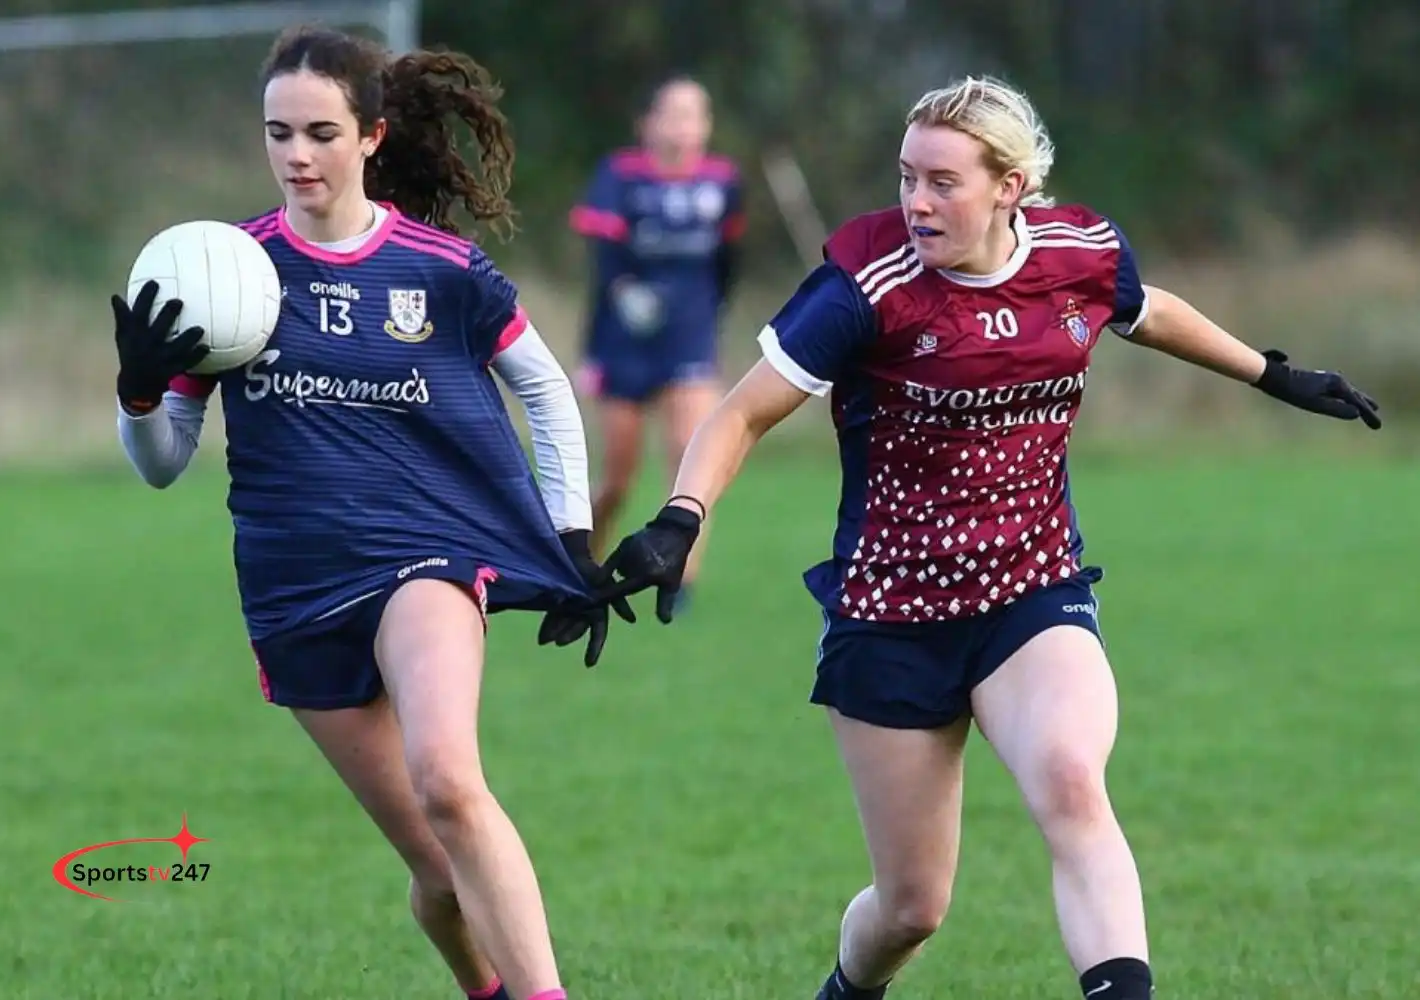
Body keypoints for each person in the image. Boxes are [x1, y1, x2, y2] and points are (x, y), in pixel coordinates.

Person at [594, 76, 1381, 1000]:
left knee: (1072, 785)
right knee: (912, 909)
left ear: (1010, 186)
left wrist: (1272, 375)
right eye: (905, 177)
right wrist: (681, 519)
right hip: (891, 611)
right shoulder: (868, 285)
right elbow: (738, 415)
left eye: (943, 181)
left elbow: (1148, 308)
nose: (916, 202)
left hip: (1031, 589)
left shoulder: (1079, 253)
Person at [112, 25, 630, 1000]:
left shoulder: (440, 270)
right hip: (295, 589)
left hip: (426, 560)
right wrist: (140, 394)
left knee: (449, 783)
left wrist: (567, 540)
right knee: (438, 876)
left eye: (320, 132)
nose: (296, 155)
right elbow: (160, 465)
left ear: (373, 137)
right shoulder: (225, 276)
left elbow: (548, 391)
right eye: (278, 133)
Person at [568, 75, 746, 610]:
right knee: (616, 476)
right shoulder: (620, 175)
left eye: (695, 114)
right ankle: (583, 566)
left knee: (690, 457)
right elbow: (603, 260)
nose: (683, 126)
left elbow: (729, 262)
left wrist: (708, 315)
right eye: (672, 113)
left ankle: (680, 581)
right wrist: (625, 293)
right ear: (647, 123)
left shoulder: (723, 181)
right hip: (623, 343)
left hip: (688, 339)